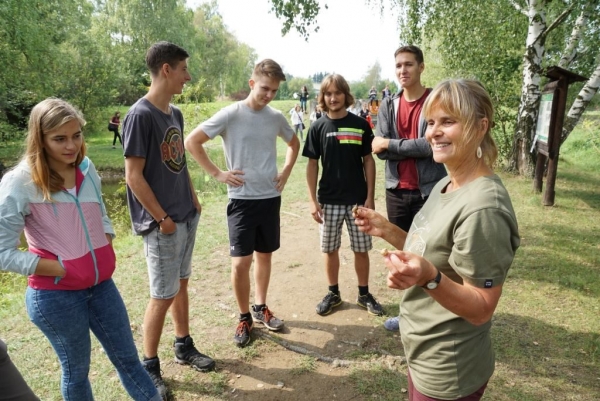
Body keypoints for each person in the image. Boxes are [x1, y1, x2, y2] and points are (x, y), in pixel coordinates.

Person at [354, 79, 520, 400]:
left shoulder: (483, 206)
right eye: (430, 122)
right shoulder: (448, 182)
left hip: (448, 366)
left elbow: (481, 308)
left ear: (481, 126)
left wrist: (429, 278)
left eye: (448, 121)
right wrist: (386, 229)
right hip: (423, 352)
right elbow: (429, 251)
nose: (433, 132)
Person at [0, 98, 160, 401]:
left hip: (101, 287)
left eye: (76, 135)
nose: (71, 146)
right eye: (59, 138)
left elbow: (100, 212)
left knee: (128, 360)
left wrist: (107, 240)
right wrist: (58, 267)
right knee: (76, 372)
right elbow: (2, 251)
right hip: (55, 296)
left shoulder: (87, 168)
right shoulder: (20, 182)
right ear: (40, 139)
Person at [185, 59, 300, 348]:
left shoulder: (275, 117)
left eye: (274, 90)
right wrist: (217, 173)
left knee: (264, 255)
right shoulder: (230, 114)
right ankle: (244, 316)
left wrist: (285, 171)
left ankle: (261, 308)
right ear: (252, 83)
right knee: (240, 263)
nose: (269, 95)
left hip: (270, 198)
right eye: (264, 88)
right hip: (241, 201)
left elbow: (294, 143)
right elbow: (192, 142)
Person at [122, 41, 214, 399]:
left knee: (182, 284)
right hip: (163, 225)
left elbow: (179, 161)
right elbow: (133, 176)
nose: (187, 77)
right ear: (166, 70)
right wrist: (162, 219)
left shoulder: (173, 113)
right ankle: (150, 366)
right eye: (184, 69)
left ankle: (183, 345)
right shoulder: (139, 115)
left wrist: (192, 198)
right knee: (162, 295)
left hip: (185, 215)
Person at [372, 45, 447, 331]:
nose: (403, 71)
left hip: (428, 189)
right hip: (396, 190)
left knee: (431, 254)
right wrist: (393, 146)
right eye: (399, 66)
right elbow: (377, 148)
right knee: (403, 254)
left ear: (421, 67)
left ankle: (435, 314)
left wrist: (391, 145)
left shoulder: (434, 102)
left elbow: (430, 146)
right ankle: (408, 316)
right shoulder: (389, 104)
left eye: (409, 65)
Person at [302, 74, 382, 317]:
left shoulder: (361, 125)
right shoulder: (317, 127)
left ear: (346, 95)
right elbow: (312, 165)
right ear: (323, 97)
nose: (333, 98)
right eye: (328, 94)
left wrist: (370, 197)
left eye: (338, 93)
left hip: (358, 201)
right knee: (330, 249)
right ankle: (333, 293)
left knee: (361, 249)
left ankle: (364, 294)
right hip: (328, 201)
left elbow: (368, 161)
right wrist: (312, 200)